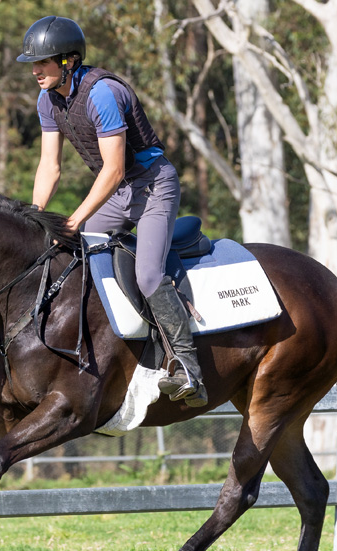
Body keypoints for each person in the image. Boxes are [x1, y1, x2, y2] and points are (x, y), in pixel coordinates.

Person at [17, 16, 207, 407]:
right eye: (33, 63)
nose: (35, 70)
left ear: (68, 61)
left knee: (148, 273)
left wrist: (72, 221)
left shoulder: (102, 93)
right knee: (70, 255)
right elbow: (49, 166)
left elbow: (115, 168)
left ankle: (188, 367)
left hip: (153, 186)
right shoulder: (47, 99)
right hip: (117, 193)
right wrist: (35, 215)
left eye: (43, 62)